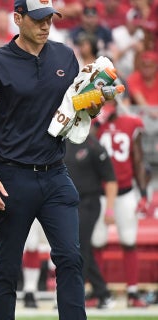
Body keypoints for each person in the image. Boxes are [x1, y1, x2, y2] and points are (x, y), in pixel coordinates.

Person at [0, 0, 105, 318]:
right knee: (6, 267)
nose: (46, 25)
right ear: (17, 19)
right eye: (38, 19)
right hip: (11, 175)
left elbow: (77, 111)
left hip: (56, 173)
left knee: (71, 259)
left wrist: (96, 103)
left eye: (50, 19)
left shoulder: (64, 55)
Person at [94, 102, 150, 308]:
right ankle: (99, 292)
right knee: (96, 242)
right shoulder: (92, 123)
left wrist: (143, 193)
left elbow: (138, 159)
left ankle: (133, 293)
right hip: (98, 192)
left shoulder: (131, 123)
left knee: (129, 240)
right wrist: (96, 122)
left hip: (125, 190)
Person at [65, 128, 118, 309]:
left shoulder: (94, 146)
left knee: (78, 247)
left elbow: (110, 179)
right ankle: (103, 293)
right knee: (81, 247)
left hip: (88, 202)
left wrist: (110, 210)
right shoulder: (63, 143)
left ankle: (73, 295)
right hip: (68, 205)